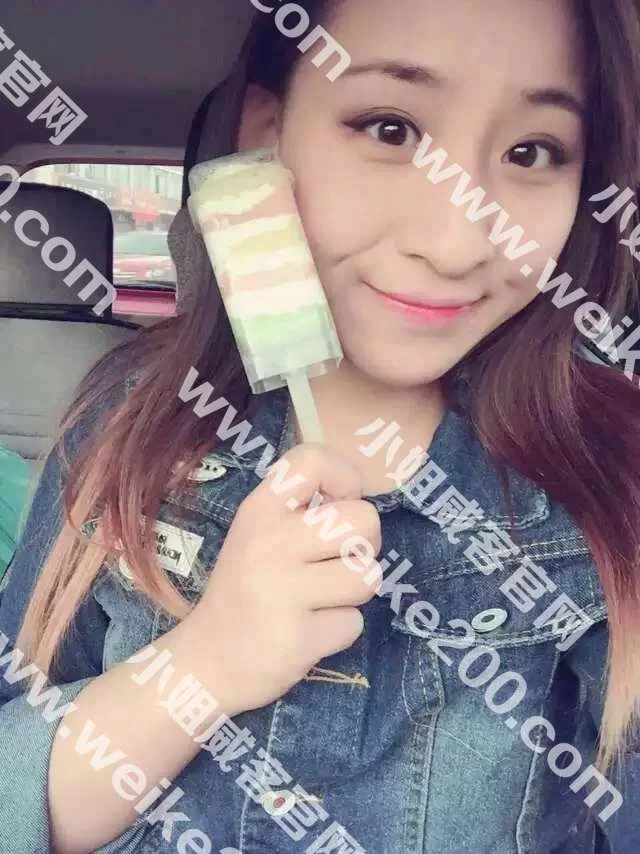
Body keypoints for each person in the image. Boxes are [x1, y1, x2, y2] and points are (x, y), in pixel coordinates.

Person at [1, 0, 639, 851]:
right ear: (266, 138)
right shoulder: (129, 420)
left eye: (532, 151)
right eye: (390, 128)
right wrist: (208, 660)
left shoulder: (609, 466)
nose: (456, 241)